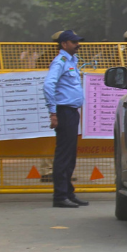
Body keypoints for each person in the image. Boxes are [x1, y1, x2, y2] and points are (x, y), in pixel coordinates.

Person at [43, 30, 88, 208]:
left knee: (70, 155)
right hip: (63, 112)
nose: (77, 44)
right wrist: (53, 112)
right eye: (74, 42)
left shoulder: (72, 61)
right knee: (63, 155)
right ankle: (60, 196)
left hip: (71, 112)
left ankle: (68, 192)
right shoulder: (59, 62)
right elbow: (48, 85)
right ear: (64, 44)